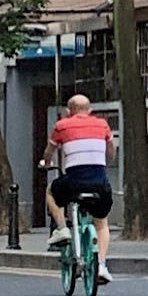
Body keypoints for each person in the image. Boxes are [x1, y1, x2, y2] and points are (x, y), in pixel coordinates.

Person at [41, 93, 114, 285]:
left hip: (74, 182)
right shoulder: (102, 125)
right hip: (100, 183)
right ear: (90, 110)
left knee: (51, 192)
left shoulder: (62, 126)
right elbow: (111, 151)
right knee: (101, 223)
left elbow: (49, 152)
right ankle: (102, 265)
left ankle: (63, 229)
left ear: (68, 111)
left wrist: (45, 163)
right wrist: (105, 162)